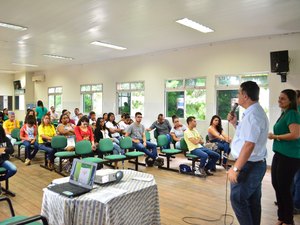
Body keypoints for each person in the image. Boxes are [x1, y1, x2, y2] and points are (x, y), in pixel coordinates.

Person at [227, 81, 268, 225]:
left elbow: (249, 144)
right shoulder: (252, 112)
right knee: (252, 200)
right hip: (255, 164)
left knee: (238, 199)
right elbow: (246, 136)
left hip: (249, 165)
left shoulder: (253, 115)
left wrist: (236, 168)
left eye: (239, 93)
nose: (237, 96)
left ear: (245, 96)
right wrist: (235, 123)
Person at [268, 89, 300, 225]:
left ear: (291, 101)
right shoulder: (284, 113)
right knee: (277, 185)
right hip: (280, 154)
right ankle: (282, 217)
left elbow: (295, 134)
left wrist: (275, 137)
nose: (279, 101)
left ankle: (288, 220)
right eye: (279, 98)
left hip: (290, 156)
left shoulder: (292, 113)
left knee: (284, 188)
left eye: (283, 99)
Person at [0, 125, 17, 193]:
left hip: (3, 161)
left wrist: (5, 149)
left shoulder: (6, 139)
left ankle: (1, 179)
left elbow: (12, 150)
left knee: (13, 169)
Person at [293, 90, 300, 215]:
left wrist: (277, 136)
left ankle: (297, 205)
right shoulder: (293, 111)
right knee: (293, 178)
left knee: (298, 179)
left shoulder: (297, 112)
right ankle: (289, 201)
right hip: (293, 151)